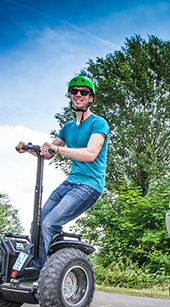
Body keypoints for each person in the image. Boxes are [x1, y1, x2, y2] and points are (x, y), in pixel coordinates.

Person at [16, 75, 109, 269]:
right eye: (74, 92)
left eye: (84, 92)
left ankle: (53, 271)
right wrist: (29, 148)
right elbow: (48, 153)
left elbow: (91, 154)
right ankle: (36, 267)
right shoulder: (67, 127)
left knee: (50, 223)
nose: (78, 95)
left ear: (91, 98)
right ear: (70, 96)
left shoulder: (98, 123)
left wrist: (57, 149)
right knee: (38, 223)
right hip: (70, 183)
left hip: (89, 185)